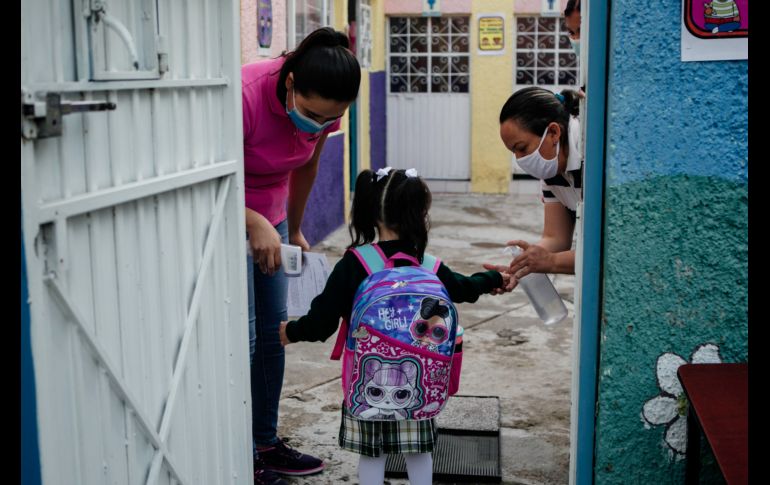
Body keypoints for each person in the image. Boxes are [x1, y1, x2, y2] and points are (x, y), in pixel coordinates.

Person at [278, 168, 509, 485]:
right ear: (420, 215)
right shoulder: (428, 265)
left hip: (368, 384)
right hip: (419, 382)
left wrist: (290, 332)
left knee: (372, 454)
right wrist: (494, 278)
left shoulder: (355, 264)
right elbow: (465, 288)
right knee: (419, 451)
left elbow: (321, 323)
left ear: (373, 214)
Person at [241, 27, 361, 484]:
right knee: (244, 338)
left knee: (274, 336)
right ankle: (237, 451)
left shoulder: (324, 107)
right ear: (289, 83)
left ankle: (264, 443)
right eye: (311, 114)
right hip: (226, 217)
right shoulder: (246, 95)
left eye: (330, 118)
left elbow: (308, 162)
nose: (316, 124)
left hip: (270, 222)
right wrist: (250, 221)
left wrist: (293, 227)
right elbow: (204, 175)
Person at [486, 87, 582, 292]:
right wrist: (519, 267)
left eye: (522, 148)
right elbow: (556, 238)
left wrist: (552, 262)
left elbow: (606, 251)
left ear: (554, 132)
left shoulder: (594, 159)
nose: (520, 160)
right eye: (514, 152)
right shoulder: (553, 169)